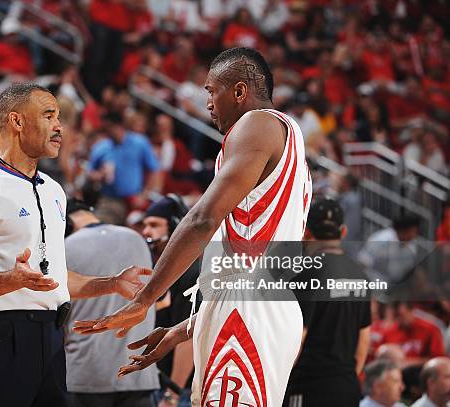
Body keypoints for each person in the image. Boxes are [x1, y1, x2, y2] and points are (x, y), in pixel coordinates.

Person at [75, 47, 312, 407]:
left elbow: (203, 218)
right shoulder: (288, 140)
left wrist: (144, 299)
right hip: (258, 307)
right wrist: (182, 331)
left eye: (211, 90)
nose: (208, 103)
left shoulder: (256, 125)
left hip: (246, 315)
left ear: (239, 91)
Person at [0, 83, 151, 406]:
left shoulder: (55, 191)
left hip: (51, 338)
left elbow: (54, 279)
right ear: (17, 122)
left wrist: (111, 284)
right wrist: (8, 281)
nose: (59, 126)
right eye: (49, 115)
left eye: (59, 118)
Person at [63, 198, 159, 407]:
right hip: (139, 373)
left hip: (86, 374)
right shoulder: (136, 238)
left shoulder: (65, 246)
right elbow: (159, 299)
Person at [284, 198, 372, 407]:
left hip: (308, 385)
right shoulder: (361, 275)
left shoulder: (305, 273)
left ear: (305, 232)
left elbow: (298, 337)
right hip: (347, 386)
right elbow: (363, 341)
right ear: (343, 232)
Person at [141, 195, 200, 406]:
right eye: (145, 225)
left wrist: (172, 395)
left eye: (154, 225)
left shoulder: (193, 271)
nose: (146, 232)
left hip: (181, 389)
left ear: (176, 226)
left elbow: (188, 338)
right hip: (162, 383)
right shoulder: (168, 270)